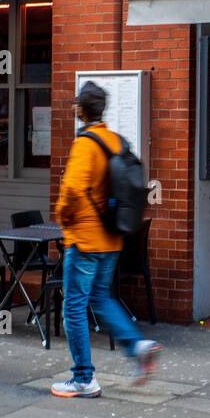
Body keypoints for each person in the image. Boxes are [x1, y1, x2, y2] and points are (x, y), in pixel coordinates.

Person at [51, 81, 160, 398]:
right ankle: (138, 346)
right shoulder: (114, 140)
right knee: (100, 298)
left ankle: (84, 377)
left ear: (81, 109)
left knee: (73, 307)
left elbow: (72, 189)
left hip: (85, 240)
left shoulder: (85, 144)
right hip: (112, 239)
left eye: (76, 105)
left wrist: (62, 215)